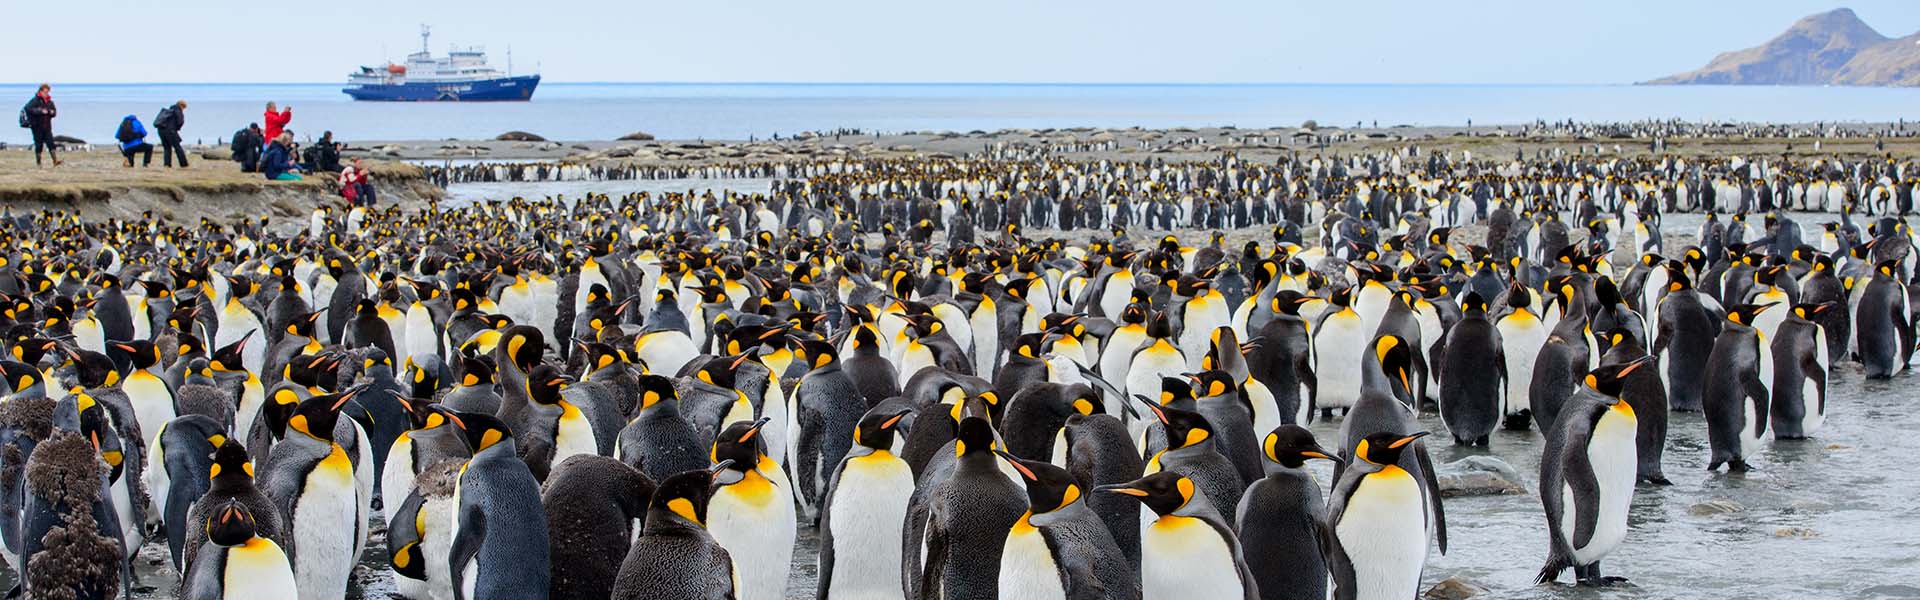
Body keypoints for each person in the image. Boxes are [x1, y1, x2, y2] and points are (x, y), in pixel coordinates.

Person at [22, 84, 60, 167]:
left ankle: (55, 161)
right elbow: (28, 109)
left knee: (51, 143)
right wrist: (40, 111)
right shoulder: (35, 100)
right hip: (36, 127)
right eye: (45, 92)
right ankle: (39, 163)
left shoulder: (50, 102)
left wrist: (51, 112)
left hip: (47, 127)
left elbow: (54, 112)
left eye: (47, 92)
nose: (46, 93)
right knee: (39, 144)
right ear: (40, 91)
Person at [155, 100, 189, 168]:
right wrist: (177, 128)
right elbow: (180, 121)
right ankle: (183, 164)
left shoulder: (168, 111)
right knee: (177, 147)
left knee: (167, 148)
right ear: (182, 106)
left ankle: (167, 164)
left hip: (161, 130)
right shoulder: (178, 110)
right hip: (171, 131)